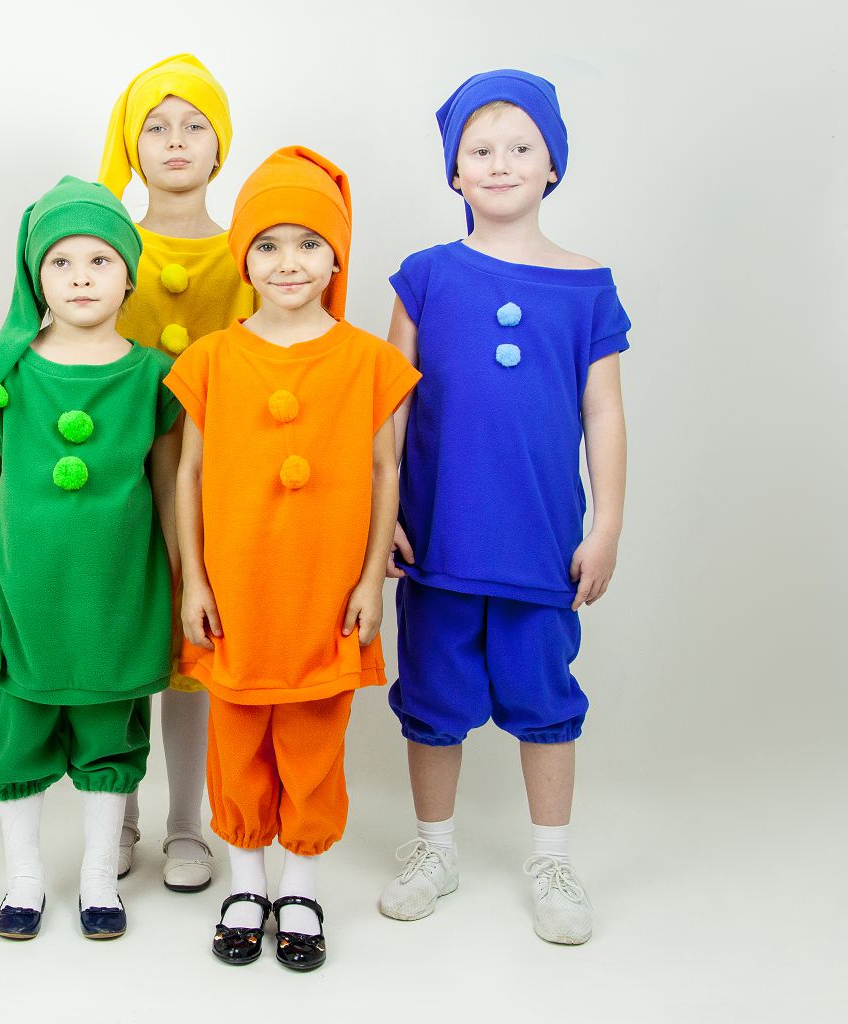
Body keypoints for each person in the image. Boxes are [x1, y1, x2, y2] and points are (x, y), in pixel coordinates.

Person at [379, 70, 631, 945]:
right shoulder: (423, 277)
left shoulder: (587, 284)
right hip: (438, 537)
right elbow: (389, 407)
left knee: (544, 697)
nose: (499, 163)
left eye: (520, 147)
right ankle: (434, 850)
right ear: (454, 171)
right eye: (479, 150)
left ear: (551, 164)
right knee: (432, 697)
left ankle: (551, 860)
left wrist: (605, 526)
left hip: (539, 541)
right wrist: (383, 513)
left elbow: (603, 411)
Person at [166, 147, 419, 970]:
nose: (288, 262)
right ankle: (246, 884)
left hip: (324, 592)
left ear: (336, 257)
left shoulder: (368, 362)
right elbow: (189, 473)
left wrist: (370, 581)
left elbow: (384, 472)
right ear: (242, 256)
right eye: (268, 244)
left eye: (309, 243)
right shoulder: (210, 358)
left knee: (313, 741)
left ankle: (301, 886)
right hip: (237, 592)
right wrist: (193, 581)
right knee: (236, 737)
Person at [0, 176, 182, 941]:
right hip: (26, 593)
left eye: (98, 260)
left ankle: (97, 880)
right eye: (60, 262)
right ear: (35, 274)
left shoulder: (152, 376)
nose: (80, 277)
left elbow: (168, 486)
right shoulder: (5, 369)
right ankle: (24, 879)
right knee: (17, 728)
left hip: (117, 595)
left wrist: (181, 581)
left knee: (108, 730)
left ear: (129, 273)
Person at [98, 53, 255, 891]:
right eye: (155, 126)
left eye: (195, 124)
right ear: (132, 144)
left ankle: (185, 823)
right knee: (127, 639)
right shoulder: (100, 248)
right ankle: (118, 814)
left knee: (194, 650)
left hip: (215, 486)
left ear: (220, 145)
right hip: (118, 484)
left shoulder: (249, 254)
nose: (175, 140)